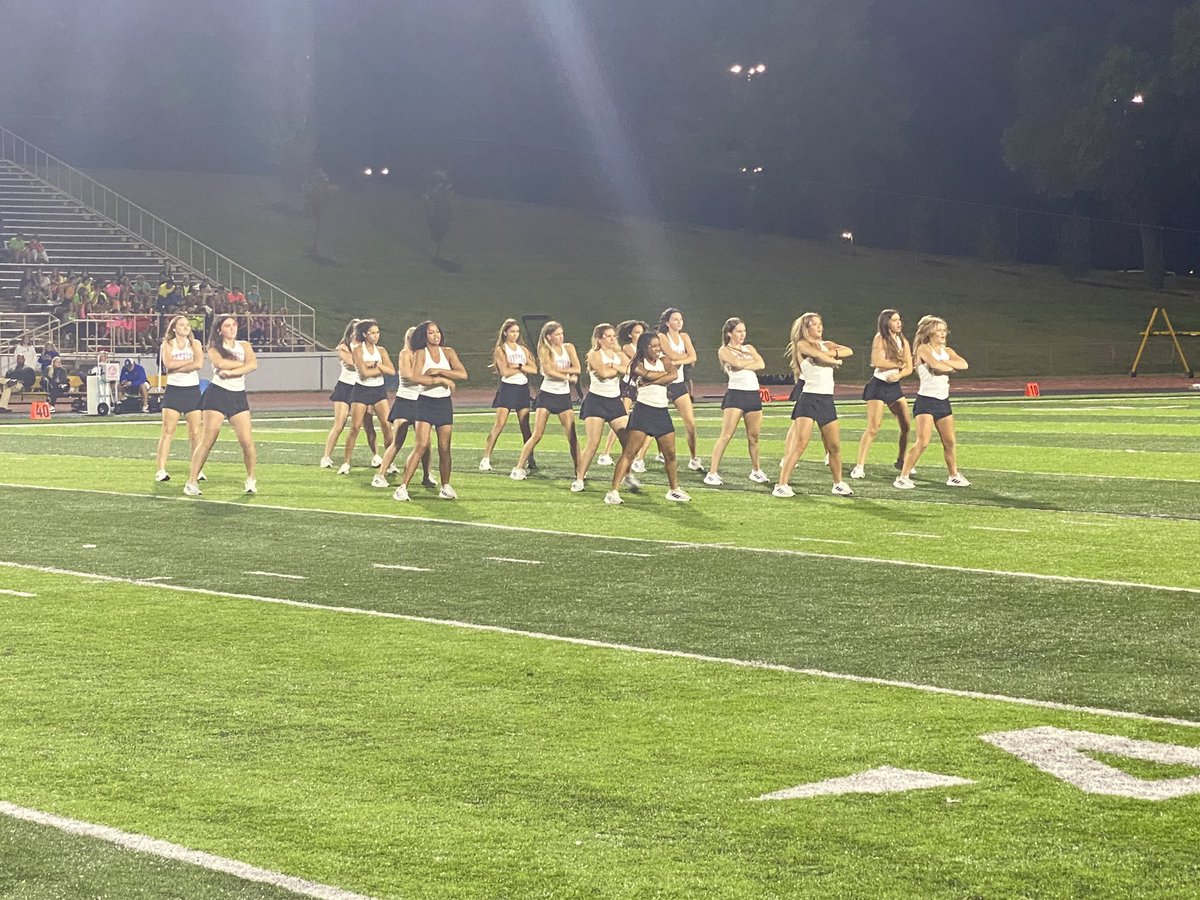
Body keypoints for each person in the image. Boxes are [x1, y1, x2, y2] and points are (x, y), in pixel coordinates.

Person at [774, 313, 855, 498]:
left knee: (834, 446)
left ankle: (838, 483)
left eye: (820, 324)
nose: (819, 327)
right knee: (800, 444)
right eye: (814, 324)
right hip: (809, 399)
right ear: (806, 328)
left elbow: (848, 351)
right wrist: (833, 360)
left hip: (826, 400)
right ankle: (781, 485)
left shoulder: (827, 344)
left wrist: (831, 354)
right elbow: (818, 356)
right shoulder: (802, 345)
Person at [607, 331, 691, 504]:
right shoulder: (636, 363)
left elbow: (673, 375)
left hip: (661, 412)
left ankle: (673, 490)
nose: (658, 349)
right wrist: (660, 376)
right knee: (629, 453)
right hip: (643, 412)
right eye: (654, 346)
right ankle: (613, 492)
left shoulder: (665, 360)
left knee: (670, 455)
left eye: (659, 345)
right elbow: (650, 374)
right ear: (645, 348)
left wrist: (651, 381)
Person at [183, 315, 258, 496]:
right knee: (208, 439)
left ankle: (251, 479)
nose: (232, 328)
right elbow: (220, 363)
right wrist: (242, 365)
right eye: (227, 325)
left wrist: (232, 372)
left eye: (234, 325)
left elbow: (253, 365)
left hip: (238, 395)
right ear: (219, 330)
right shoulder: (214, 348)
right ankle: (191, 482)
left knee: (246, 441)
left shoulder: (245, 345)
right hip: (217, 394)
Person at [393, 321, 468, 501]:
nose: (436, 335)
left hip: (444, 403)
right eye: (431, 332)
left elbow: (462, 374)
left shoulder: (448, 352)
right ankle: (402, 488)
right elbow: (416, 377)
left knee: (445, 448)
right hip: (425, 402)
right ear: (424, 336)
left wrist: (439, 371)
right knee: (421, 446)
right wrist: (440, 380)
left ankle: (446, 486)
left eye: (437, 332)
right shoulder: (420, 353)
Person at [895, 315, 971, 489]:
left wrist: (944, 363)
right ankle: (902, 477)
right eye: (939, 330)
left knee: (950, 442)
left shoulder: (947, 351)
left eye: (944, 330)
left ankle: (953, 476)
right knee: (923, 442)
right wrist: (947, 366)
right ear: (929, 332)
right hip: (926, 402)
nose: (943, 333)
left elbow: (964, 364)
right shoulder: (923, 348)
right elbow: (937, 366)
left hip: (943, 401)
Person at [511, 321, 581, 480]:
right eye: (557, 334)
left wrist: (558, 370)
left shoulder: (569, 348)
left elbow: (577, 368)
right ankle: (518, 467)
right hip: (547, 395)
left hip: (563, 396)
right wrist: (567, 376)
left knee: (572, 436)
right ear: (549, 336)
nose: (561, 337)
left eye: (562, 333)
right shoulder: (544, 348)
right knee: (537, 434)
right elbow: (548, 371)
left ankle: (579, 470)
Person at [703, 317, 768, 486]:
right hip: (736, 395)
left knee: (754, 437)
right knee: (726, 435)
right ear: (729, 333)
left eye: (744, 331)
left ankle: (756, 471)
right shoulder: (724, 350)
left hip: (753, 394)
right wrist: (749, 362)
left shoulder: (749, 348)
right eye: (739, 331)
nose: (742, 334)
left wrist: (744, 363)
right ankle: (712, 473)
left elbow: (761, 364)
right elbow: (737, 363)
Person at [851, 309, 914, 480]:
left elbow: (909, 367)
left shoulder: (903, 341)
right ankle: (859, 466)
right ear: (886, 323)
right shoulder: (880, 338)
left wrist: (899, 375)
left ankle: (901, 460)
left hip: (894, 386)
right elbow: (877, 361)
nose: (899, 323)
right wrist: (899, 363)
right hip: (878, 386)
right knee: (873, 427)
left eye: (899, 319)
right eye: (894, 320)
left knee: (906, 426)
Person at [372, 326, 434, 489]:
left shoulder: (426, 354)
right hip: (405, 401)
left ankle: (427, 475)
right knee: (397, 441)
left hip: (422, 401)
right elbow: (407, 375)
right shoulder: (405, 353)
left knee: (426, 443)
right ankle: (380, 475)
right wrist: (429, 377)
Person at [572, 323, 631, 492]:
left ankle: (627, 476)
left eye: (614, 336)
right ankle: (579, 478)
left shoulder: (619, 354)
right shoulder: (594, 354)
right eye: (608, 336)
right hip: (596, 401)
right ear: (599, 338)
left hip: (614, 401)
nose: (612, 339)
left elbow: (630, 370)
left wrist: (613, 367)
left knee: (628, 442)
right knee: (593, 443)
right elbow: (604, 374)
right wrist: (617, 370)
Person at [319, 318, 379, 470]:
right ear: (351, 331)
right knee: (339, 424)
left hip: (362, 387)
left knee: (368, 424)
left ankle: (376, 456)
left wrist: (367, 363)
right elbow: (353, 364)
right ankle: (326, 457)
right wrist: (368, 363)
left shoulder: (366, 347)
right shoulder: (344, 346)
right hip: (345, 387)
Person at [479, 319, 537, 472]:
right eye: (512, 332)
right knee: (499, 424)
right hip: (508, 389)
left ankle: (530, 458)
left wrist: (518, 366)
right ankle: (486, 458)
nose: (515, 334)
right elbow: (505, 371)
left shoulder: (523, 349)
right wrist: (522, 368)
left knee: (525, 426)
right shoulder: (501, 350)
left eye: (517, 332)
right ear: (505, 333)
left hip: (522, 389)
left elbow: (534, 369)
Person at [339, 319, 394, 475]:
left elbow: (391, 371)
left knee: (386, 425)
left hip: (378, 390)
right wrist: (379, 369)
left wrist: (376, 365)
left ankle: (389, 462)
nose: (376, 336)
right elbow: (363, 373)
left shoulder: (381, 351)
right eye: (372, 333)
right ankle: (346, 463)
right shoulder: (358, 350)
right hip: (361, 390)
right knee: (355, 427)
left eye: (377, 332)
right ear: (364, 334)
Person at [154, 314, 205, 483]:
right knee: (168, 431)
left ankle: (197, 470)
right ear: (174, 328)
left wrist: (178, 367)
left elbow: (199, 364)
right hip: (174, 390)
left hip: (192, 391)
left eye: (187, 325)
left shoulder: (195, 343)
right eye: (181, 325)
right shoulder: (167, 344)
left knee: (195, 432)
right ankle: (161, 470)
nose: (185, 327)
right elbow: (168, 365)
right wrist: (188, 363)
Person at [656, 307, 704, 472]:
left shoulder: (684, 337)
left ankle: (694, 458)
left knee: (690, 423)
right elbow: (673, 356)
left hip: (678, 383)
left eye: (681, 319)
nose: (679, 322)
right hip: (663, 383)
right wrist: (683, 357)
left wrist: (677, 361)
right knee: (656, 422)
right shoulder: (662, 337)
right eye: (675, 319)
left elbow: (693, 357)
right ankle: (641, 458)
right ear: (667, 322)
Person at [600, 319, 645, 468]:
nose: (640, 335)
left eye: (642, 332)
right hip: (627, 385)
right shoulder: (628, 347)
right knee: (621, 418)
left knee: (646, 419)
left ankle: (640, 457)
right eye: (637, 332)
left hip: (639, 386)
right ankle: (605, 453)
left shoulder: (643, 347)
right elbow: (639, 362)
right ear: (630, 335)